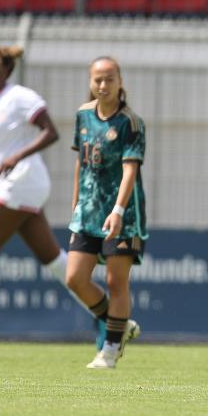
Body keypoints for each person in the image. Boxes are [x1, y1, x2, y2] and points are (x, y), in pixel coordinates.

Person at [0, 46, 84, 348]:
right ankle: (107, 312)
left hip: (24, 179)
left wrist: (17, 156)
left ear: (3, 70)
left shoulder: (20, 97)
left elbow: (51, 132)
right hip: (10, 183)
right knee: (53, 260)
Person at [65, 57, 146, 369]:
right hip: (87, 213)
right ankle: (120, 323)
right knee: (74, 278)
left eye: (109, 79)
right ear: (90, 82)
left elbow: (130, 171)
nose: (103, 85)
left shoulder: (130, 123)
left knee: (116, 282)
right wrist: (75, 206)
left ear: (120, 81)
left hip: (121, 216)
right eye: (97, 79)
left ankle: (110, 350)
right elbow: (80, 163)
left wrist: (118, 211)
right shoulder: (83, 116)